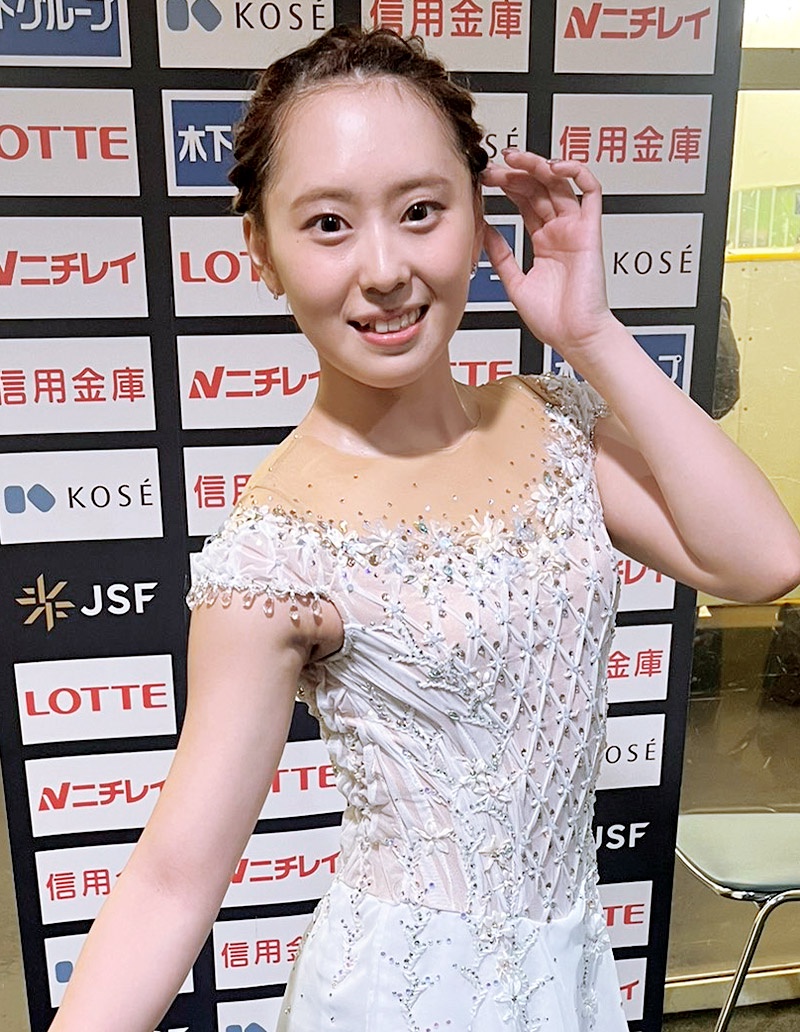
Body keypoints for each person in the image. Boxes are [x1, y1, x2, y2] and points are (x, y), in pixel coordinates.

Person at [49, 25, 800, 1032]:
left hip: (569, 972)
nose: (384, 268)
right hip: (397, 999)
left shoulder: (552, 423)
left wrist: (588, 333)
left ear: (475, 214)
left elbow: (761, 561)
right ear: (262, 251)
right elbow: (171, 883)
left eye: (419, 211)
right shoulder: (273, 550)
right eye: (327, 224)